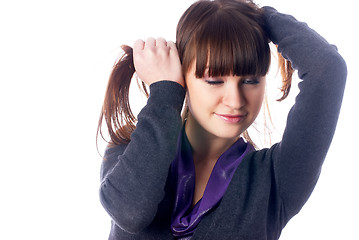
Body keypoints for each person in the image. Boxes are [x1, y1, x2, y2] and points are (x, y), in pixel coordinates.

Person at [97, 0, 347, 239]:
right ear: (183, 77)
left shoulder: (276, 179)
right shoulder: (130, 148)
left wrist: (255, 14)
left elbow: (327, 68)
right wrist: (165, 92)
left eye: (250, 81)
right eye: (214, 81)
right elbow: (129, 213)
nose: (235, 100)